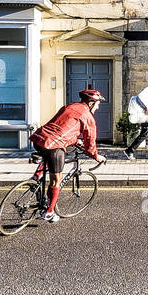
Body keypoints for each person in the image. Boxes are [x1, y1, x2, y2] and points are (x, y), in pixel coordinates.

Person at [29, 88, 107, 223]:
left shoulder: (69, 107)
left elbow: (59, 126)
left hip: (39, 137)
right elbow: (90, 141)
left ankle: (37, 177)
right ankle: (49, 213)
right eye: (98, 103)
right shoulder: (87, 116)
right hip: (54, 144)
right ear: (91, 103)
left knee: (50, 158)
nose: (98, 107)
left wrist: (75, 140)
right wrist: (95, 156)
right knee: (56, 180)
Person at [125, 75, 148, 160]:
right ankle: (129, 151)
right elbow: (138, 99)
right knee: (145, 134)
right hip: (146, 117)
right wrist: (145, 108)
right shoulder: (147, 90)